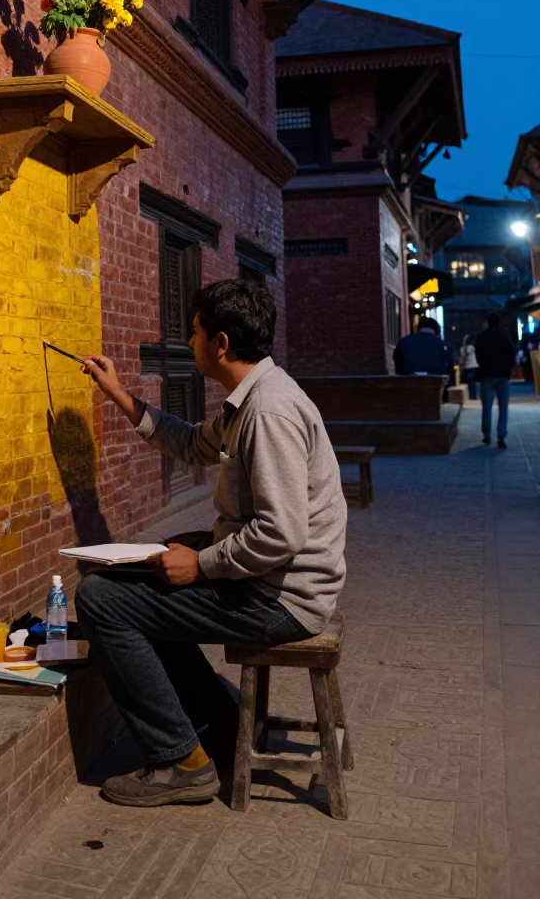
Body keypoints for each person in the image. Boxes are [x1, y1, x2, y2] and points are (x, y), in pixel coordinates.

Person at [77, 279, 347, 808]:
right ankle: (221, 723)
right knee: (145, 576)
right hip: (271, 584)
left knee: (101, 600)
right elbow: (191, 443)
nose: (190, 344)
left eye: (196, 334)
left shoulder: (268, 412)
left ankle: (180, 761)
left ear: (221, 344)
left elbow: (281, 532)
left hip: (281, 600)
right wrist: (121, 397)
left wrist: (200, 566)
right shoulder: (250, 401)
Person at [476, 313, 515, 447]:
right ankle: (501, 435)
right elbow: (511, 354)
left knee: (487, 407)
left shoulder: (482, 337)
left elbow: (478, 355)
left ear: (488, 322)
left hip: (486, 375)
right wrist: (508, 367)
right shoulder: (504, 337)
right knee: (503, 407)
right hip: (503, 375)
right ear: (499, 323)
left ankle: (486, 435)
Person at [459, 334, 479, 399]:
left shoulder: (468, 348)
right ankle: (472, 396)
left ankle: (471, 397)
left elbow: (464, 356)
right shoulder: (470, 348)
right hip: (471, 367)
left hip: (469, 367)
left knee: (469, 383)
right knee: (471, 383)